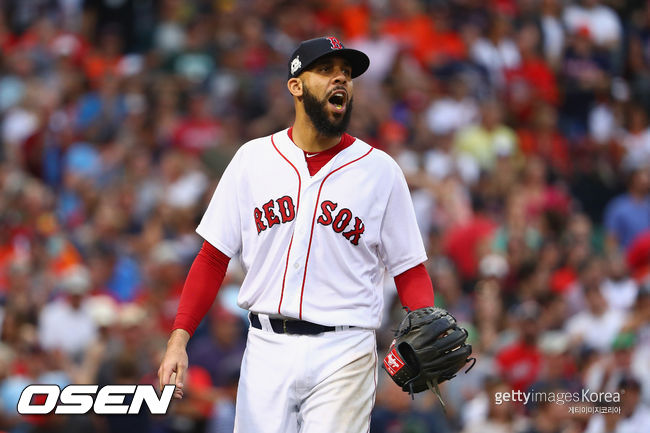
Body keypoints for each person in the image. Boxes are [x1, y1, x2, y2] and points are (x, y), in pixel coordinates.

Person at [158, 36, 435, 433]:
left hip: (346, 349)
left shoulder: (381, 171)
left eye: (346, 73)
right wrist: (178, 340)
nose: (340, 79)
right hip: (266, 347)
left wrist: (422, 322)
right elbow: (212, 258)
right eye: (326, 71)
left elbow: (409, 268)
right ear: (296, 86)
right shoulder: (252, 160)